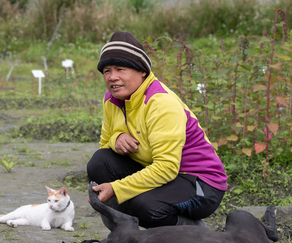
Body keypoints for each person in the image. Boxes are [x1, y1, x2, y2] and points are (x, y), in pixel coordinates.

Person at [88, 31, 227, 229]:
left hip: (201, 184)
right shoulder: (111, 99)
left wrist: (117, 188)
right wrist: (116, 138)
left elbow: (167, 167)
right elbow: (105, 146)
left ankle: (196, 233)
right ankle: (125, 236)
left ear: (142, 71)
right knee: (100, 163)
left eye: (120, 69)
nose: (112, 77)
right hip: (161, 173)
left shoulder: (161, 104)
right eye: (107, 71)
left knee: (146, 206)